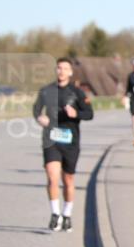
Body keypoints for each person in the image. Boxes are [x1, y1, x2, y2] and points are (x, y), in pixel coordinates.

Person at [33, 57, 94, 232]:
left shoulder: (78, 93)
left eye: (65, 68)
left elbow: (89, 114)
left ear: (70, 72)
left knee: (68, 180)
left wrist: (76, 114)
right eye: (58, 68)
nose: (61, 71)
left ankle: (67, 215)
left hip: (70, 140)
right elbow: (36, 108)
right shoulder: (46, 91)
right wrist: (39, 117)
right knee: (52, 177)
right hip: (51, 138)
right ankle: (55, 213)